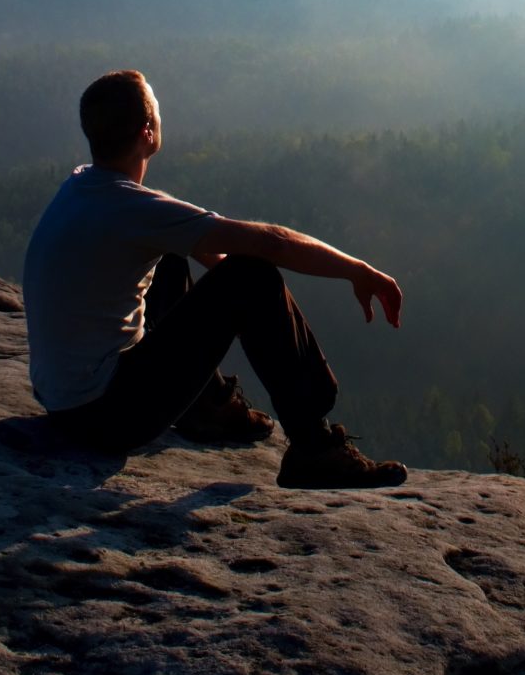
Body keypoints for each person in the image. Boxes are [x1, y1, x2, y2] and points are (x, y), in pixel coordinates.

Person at [24, 69, 410, 490]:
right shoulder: (131, 208)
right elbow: (272, 244)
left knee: (175, 258)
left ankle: (205, 408)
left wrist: (222, 301)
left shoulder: (83, 185)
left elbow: (208, 254)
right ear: (148, 130)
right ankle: (314, 447)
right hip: (105, 416)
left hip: (66, 403)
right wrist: (356, 270)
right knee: (253, 275)